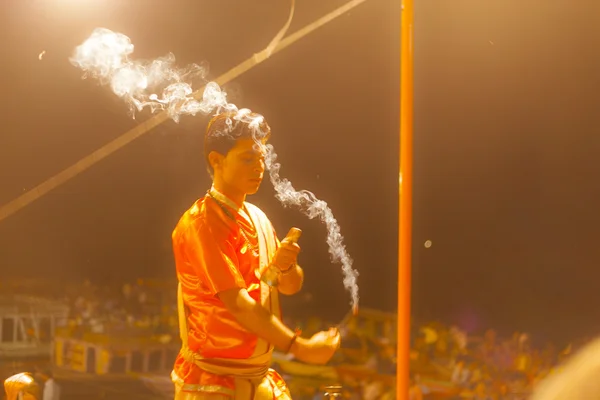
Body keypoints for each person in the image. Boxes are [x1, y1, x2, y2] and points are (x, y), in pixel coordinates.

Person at [171, 111, 341, 399]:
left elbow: (289, 286)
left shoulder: (258, 217)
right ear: (216, 160)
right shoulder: (202, 222)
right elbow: (237, 303)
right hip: (212, 383)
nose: (259, 167)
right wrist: (300, 348)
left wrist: (287, 267)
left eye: (262, 158)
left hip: (258, 379)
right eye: (248, 159)